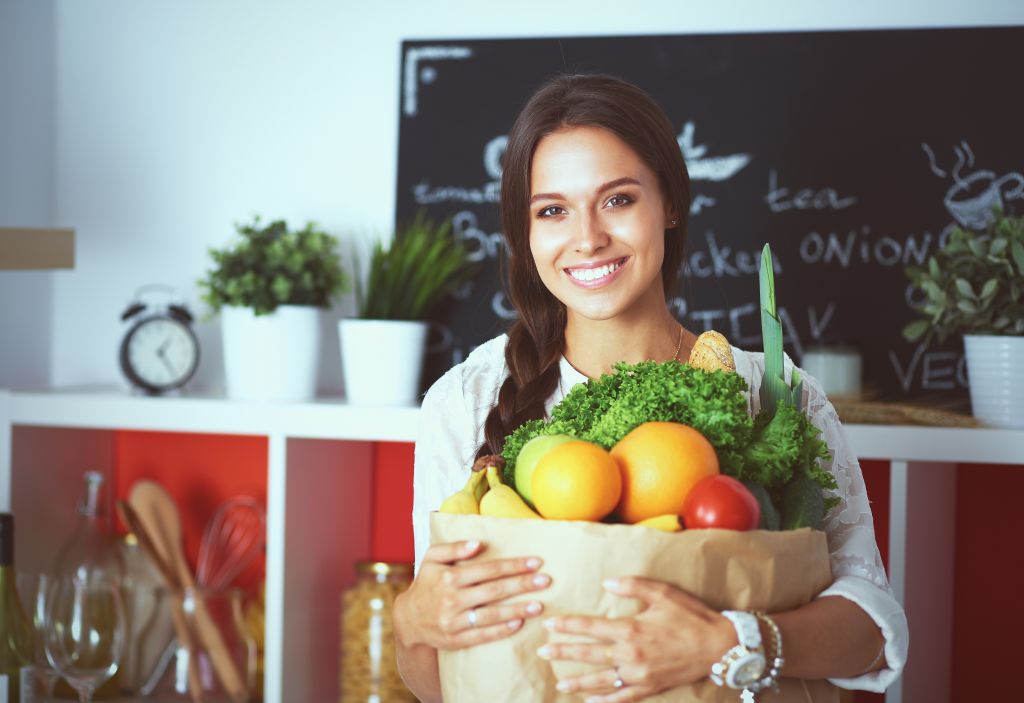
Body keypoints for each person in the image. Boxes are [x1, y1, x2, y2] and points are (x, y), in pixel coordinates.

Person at [393, 73, 908, 702]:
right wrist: (411, 622)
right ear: (525, 235)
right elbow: (439, 686)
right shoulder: (466, 400)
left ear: (669, 203)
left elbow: (870, 629)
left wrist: (730, 642)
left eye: (617, 200)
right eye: (552, 210)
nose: (587, 237)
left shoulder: (773, 392)